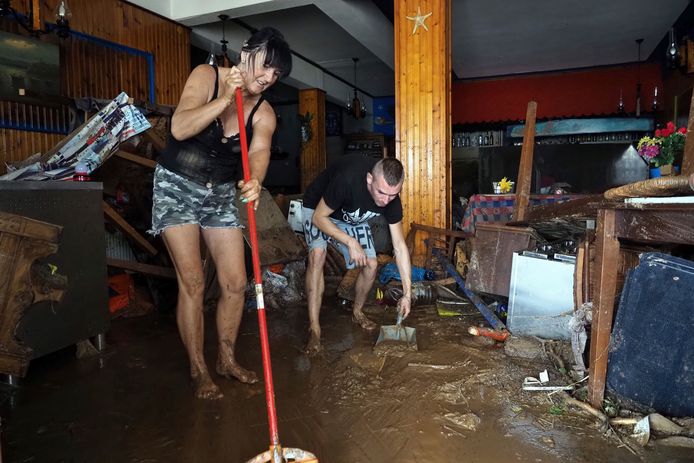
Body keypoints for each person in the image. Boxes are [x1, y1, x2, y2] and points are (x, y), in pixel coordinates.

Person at [149, 27, 292, 399]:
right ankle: (198, 370)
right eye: (266, 66)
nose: (268, 77)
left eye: (276, 75)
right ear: (247, 52)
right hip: (177, 184)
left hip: (219, 193)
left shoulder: (264, 111)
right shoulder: (207, 76)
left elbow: (259, 152)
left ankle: (226, 359)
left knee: (234, 282)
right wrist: (227, 96)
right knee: (194, 281)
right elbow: (179, 128)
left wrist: (256, 180)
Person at [302, 155, 412, 355]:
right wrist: (350, 242)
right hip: (320, 209)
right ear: (369, 179)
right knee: (317, 255)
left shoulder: (390, 199)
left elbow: (400, 246)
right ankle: (314, 328)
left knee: (371, 264)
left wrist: (407, 294)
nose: (385, 201)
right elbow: (319, 218)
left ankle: (357, 312)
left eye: (393, 195)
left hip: (351, 216)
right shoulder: (348, 180)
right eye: (381, 193)